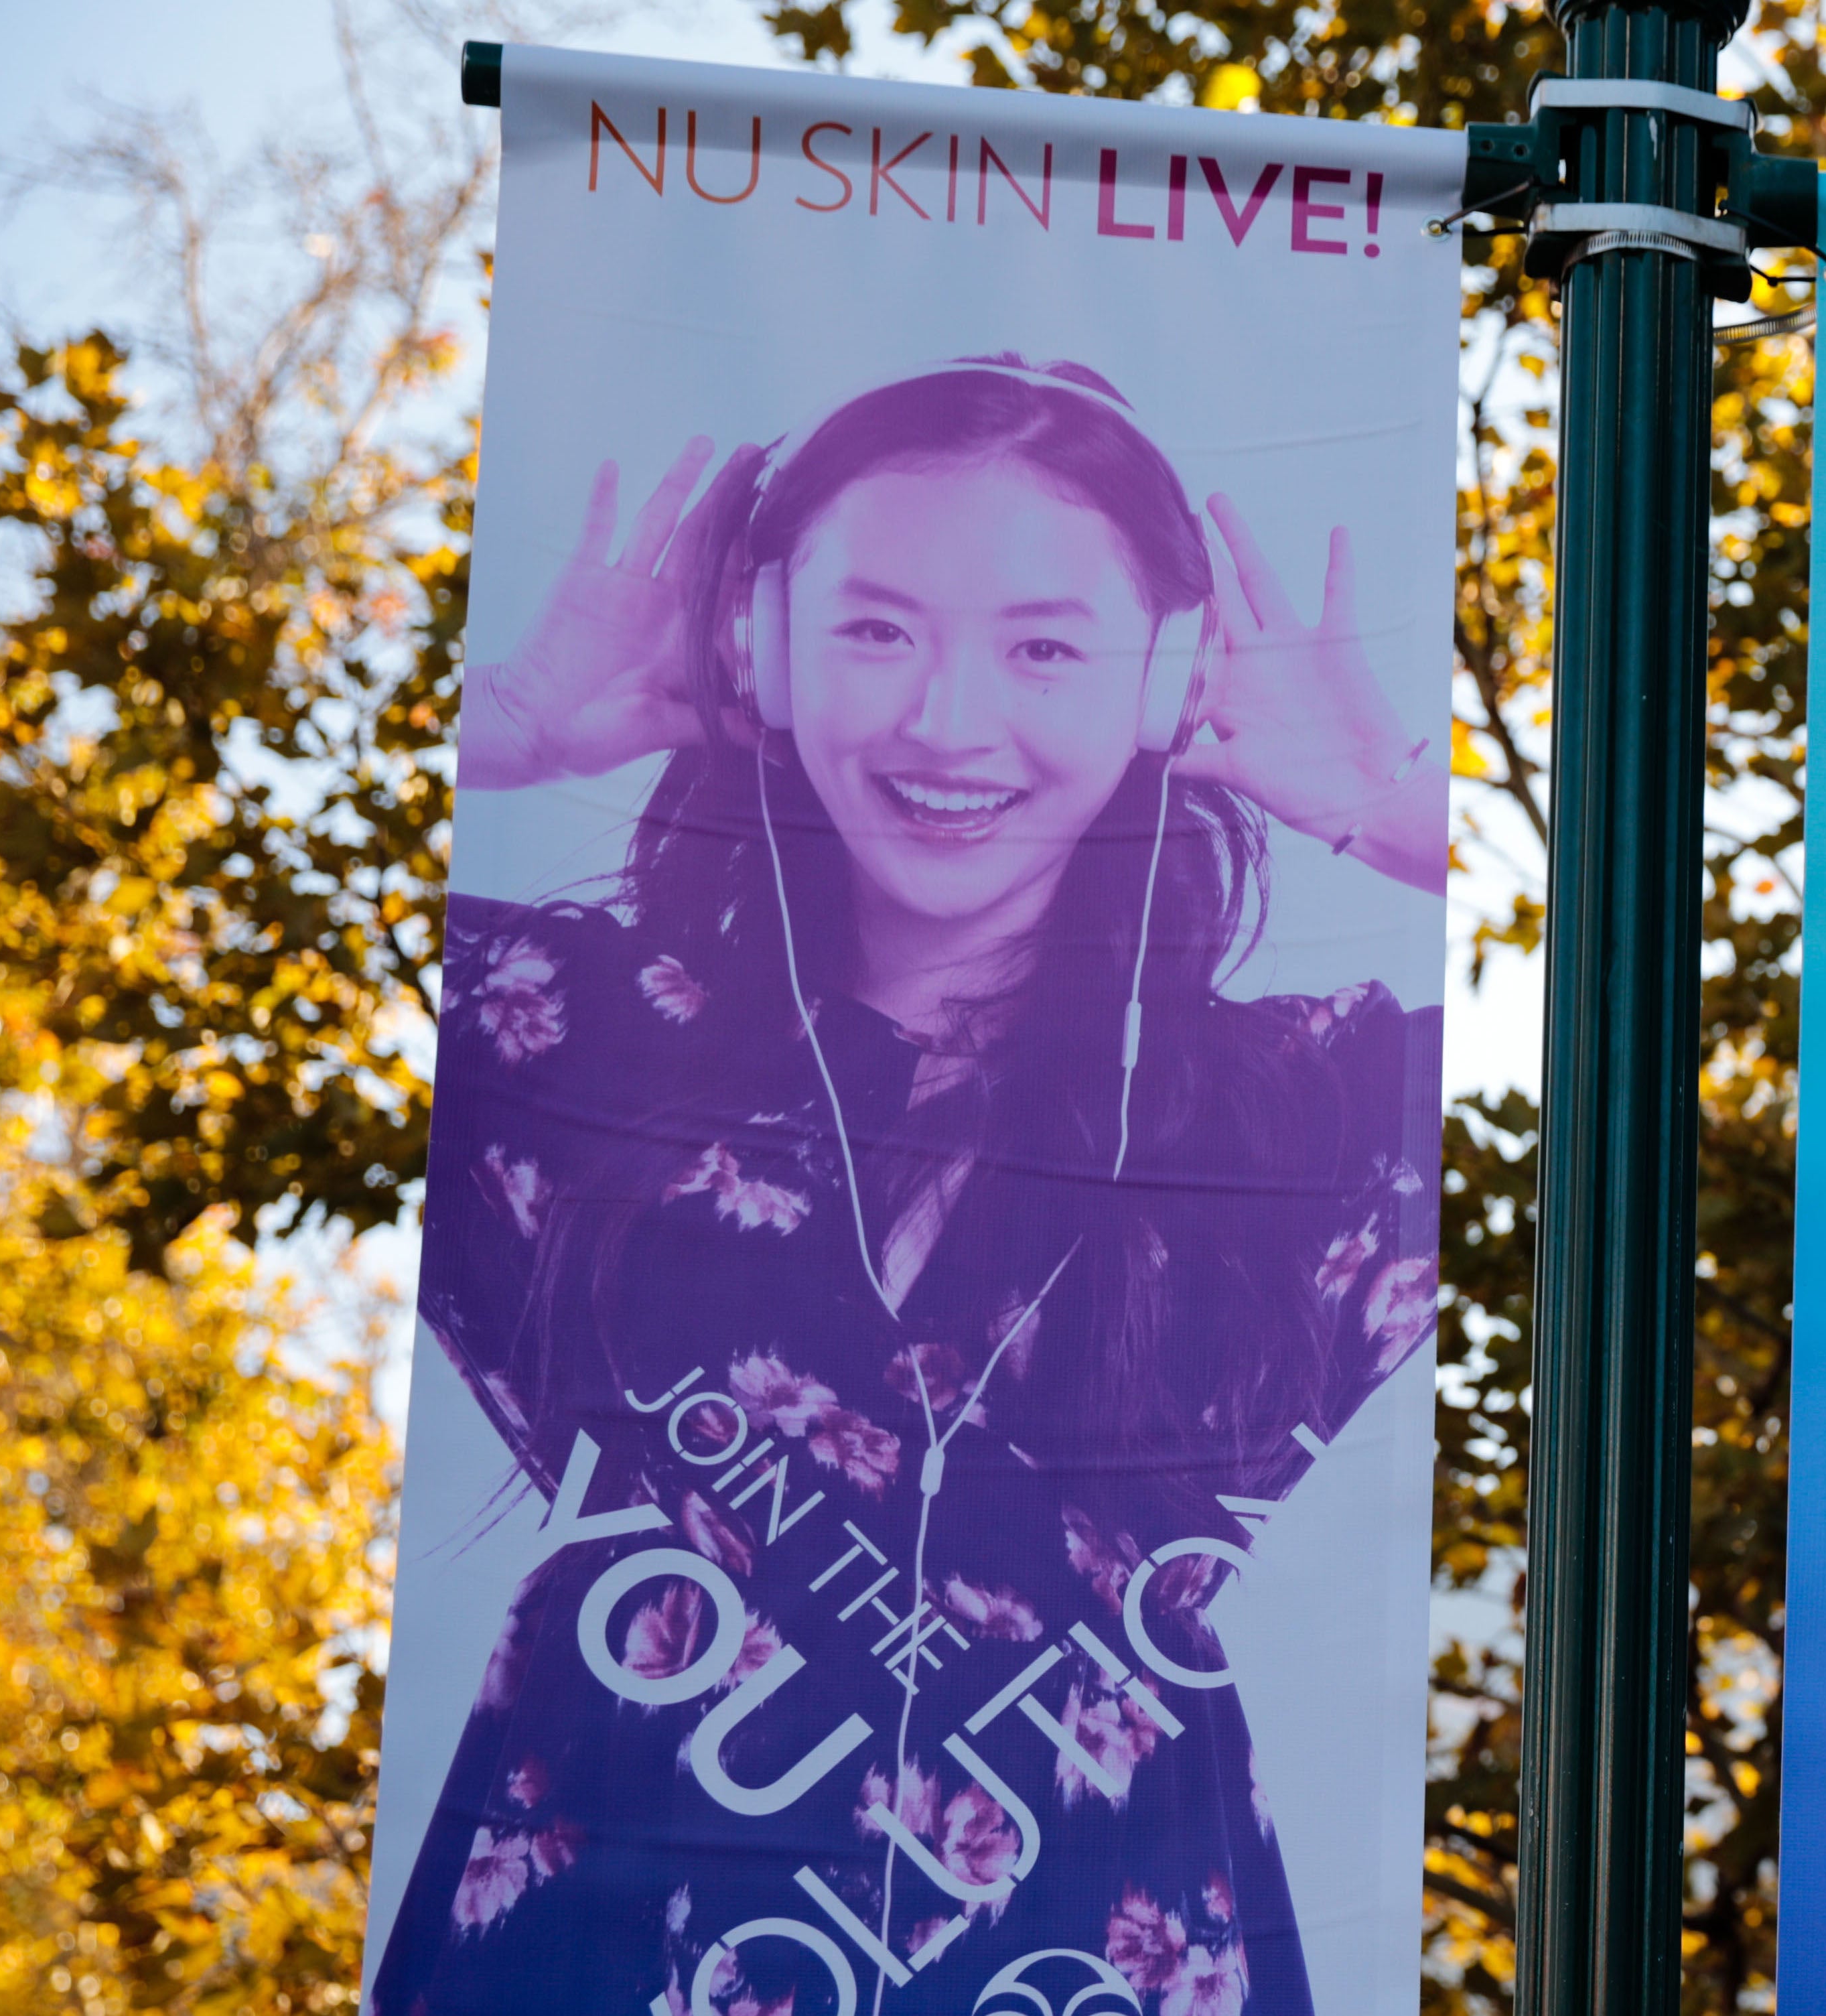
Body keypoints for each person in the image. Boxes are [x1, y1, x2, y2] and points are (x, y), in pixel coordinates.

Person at [374, 357, 1444, 2016]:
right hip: (586, 1948)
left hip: (1103, 1949)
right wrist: (497, 734)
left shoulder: (1300, 1105)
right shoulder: (566, 1039)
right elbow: (136, 993)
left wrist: (1397, 812)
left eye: (1045, 647)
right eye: (877, 629)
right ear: (761, 647)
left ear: (1165, 681)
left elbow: (1692, 1063)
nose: (950, 721)